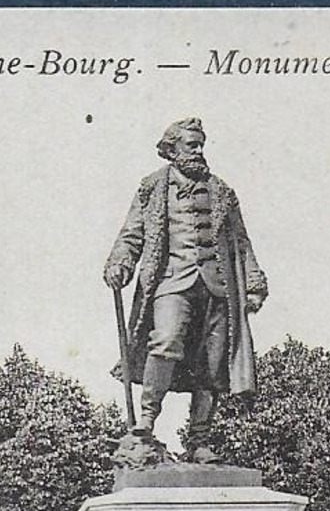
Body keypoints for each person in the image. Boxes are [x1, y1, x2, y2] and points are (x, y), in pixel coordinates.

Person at [103, 117, 269, 461]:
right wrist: (120, 262)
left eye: (201, 144)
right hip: (172, 282)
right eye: (191, 144)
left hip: (217, 288)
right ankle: (145, 426)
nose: (198, 150)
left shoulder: (222, 191)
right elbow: (132, 234)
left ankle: (200, 442)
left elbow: (240, 241)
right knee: (163, 343)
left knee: (211, 365)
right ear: (172, 150)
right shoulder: (152, 188)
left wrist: (253, 283)